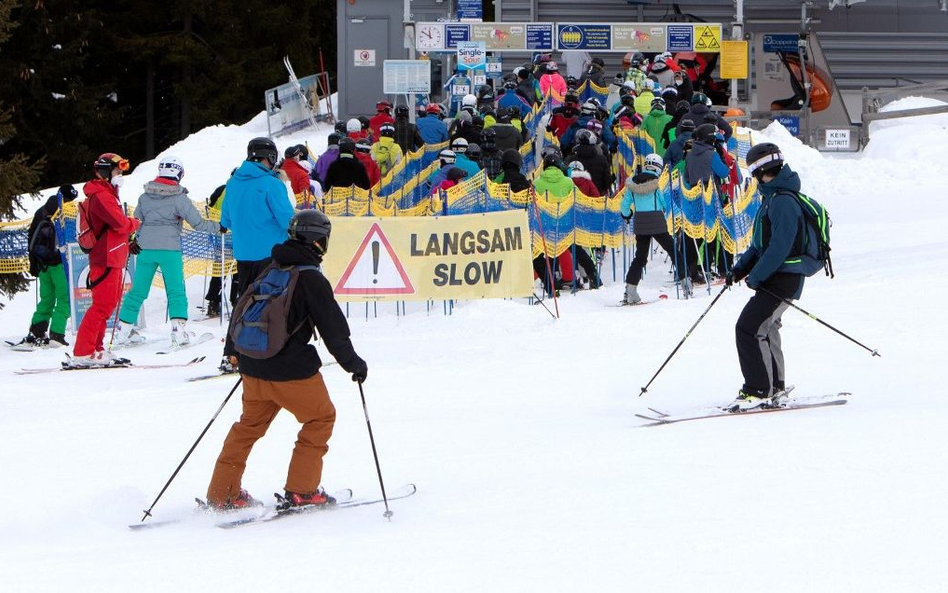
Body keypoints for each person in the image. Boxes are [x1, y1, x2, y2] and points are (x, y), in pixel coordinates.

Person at [205, 210, 368, 510]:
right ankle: (303, 491)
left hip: (253, 366)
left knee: (248, 427)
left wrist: (235, 352)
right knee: (320, 418)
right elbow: (334, 330)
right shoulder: (310, 278)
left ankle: (222, 492)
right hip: (291, 370)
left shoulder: (270, 267)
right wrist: (353, 364)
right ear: (318, 241)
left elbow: (242, 307)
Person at [726, 143, 815, 411]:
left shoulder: (783, 202)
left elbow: (780, 247)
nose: (751, 177)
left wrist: (756, 276)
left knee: (748, 328)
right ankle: (774, 386)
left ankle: (758, 389)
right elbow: (759, 245)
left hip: (784, 278)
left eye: (752, 171)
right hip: (776, 277)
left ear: (762, 170)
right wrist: (739, 270)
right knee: (765, 328)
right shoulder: (772, 199)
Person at [113, 156, 222, 347]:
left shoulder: (145, 196)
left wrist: (132, 241)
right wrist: (220, 227)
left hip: (145, 248)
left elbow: (136, 221)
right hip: (169, 249)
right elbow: (198, 224)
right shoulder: (179, 198)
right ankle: (178, 332)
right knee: (175, 290)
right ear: (178, 173)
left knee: (138, 291)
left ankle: (123, 332)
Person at [218, 138, 296, 373]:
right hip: (272, 253)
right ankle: (274, 351)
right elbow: (286, 220)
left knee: (244, 301)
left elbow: (226, 220)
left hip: (244, 254)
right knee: (275, 302)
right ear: (270, 157)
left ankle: (232, 354)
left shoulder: (233, 183)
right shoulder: (272, 184)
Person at [71, 153, 141, 366]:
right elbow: (119, 223)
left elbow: (112, 228)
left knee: (106, 306)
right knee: (101, 307)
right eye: (117, 171)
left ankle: (96, 348)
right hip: (106, 258)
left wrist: (126, 242)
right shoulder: (102, 196)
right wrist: (135, 223)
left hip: (113, 255)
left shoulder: (107, 194)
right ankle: (83, 351)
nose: (120, 175)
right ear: (105, 172)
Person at [16, 184, 78, 349]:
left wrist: (33, 263)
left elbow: (31, 238)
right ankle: (57, 335)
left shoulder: (42, 211)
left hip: (43, 264)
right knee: (64, 299)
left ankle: (36, 332)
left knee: (47, 299)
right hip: (60, 264)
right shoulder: (68, 212)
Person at [533, 154, 600, 290]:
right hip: (565, 225)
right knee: (578, 252)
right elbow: (578, 200)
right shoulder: (568, 182)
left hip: (545, 226)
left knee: (544, 254)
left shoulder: (536, 183)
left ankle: (551, 284)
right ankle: (596, 279)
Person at [619, 154, 676, 305]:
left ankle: (630, 290)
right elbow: (664, 203)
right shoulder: (657, 183)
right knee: (672, 250)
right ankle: (685, 281)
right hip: (657, 222)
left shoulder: (632, 185)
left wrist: (628, 214)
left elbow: (624, 206)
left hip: (640, 224)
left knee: (640, 258)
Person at [566, 129, 612, 196]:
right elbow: (607, 181)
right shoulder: (602, 159)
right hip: (597, 195)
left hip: (577, 197)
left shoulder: (572, 159)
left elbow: (568, 177)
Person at [684, 123, 730, 188]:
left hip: (693, 193)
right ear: (710, 137)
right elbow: (724, 173)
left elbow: (686, 177)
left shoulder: (689, 154)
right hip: (711, 194)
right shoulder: (712, 155)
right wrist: (721, 155)